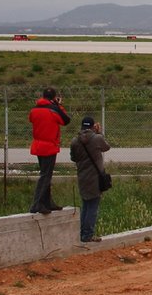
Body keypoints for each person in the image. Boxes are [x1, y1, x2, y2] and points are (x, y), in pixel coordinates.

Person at [28, 87, 71, 214]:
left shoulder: (34, 109)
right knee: (45, 176)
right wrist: (59, 105)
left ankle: (47, 203)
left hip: (37, 145)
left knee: (45, 174)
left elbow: (31, 119)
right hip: (49, 146)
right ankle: (37, 204)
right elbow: (65, 120)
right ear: (53, 97)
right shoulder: (53, 110)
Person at [70, 115, 111, 243]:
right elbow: (106, 147)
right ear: (93, 126)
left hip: (82, 177)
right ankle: (87, 235)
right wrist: (99, 132)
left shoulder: (75, 141)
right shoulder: (97, 138)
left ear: (82, 126)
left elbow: (73, 158)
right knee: (93, 207)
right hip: (95, 178)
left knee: (86, 206)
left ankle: (82, 233)